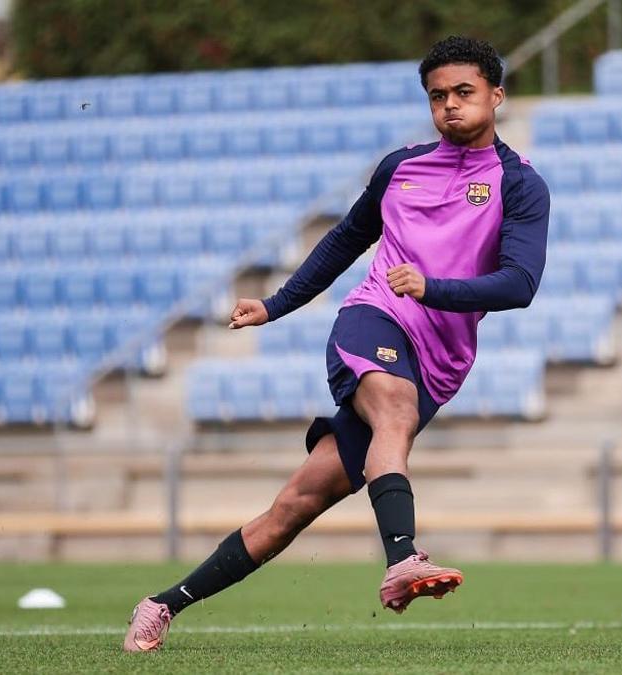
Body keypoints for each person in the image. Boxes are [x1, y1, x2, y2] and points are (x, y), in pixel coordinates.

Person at [123, 35, 550, 651]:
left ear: (497, 95)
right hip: (372, 319)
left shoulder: (520, 184)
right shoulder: (399, 167)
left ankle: (162, 604)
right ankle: (403, 558)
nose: (450, 106)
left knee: (294, 506)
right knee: (394, 414)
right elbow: (344, 241)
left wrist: (434, 288)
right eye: (438, 96)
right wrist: (275, 305)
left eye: (464, 92)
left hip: (440, 360)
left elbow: (520, 283)